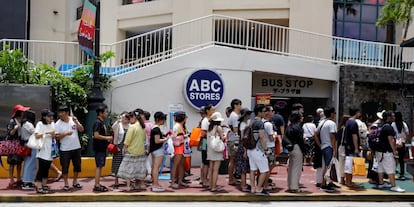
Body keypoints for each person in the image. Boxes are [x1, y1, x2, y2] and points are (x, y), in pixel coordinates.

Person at [55, 105, 84, 191]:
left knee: (77, 166)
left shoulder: (73, 120)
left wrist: (77, 122)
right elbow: (56, 137)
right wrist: (65, 134)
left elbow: (81, 129)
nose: (60, 114)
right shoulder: (58, 124)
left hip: (76, 147)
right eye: (59, 112)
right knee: (65, 167)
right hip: (65, 149)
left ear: (67, 113)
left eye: (62, 112)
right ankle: (66, 183)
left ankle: (75, 181)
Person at [117, 109, 148, 191]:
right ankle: (140, 184)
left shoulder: (132, 127)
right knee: (139, 169)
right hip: (140, 151)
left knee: (128, 169)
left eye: (130, 118)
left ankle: (128, 186)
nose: (129, 120)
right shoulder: (142, 127)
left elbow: (128, 139)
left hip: (132, 150)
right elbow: (144, 139)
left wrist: (124, 148)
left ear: (134, 117)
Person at [375, 111, 405, 192]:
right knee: (391, 167)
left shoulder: (381, 125)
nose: (394, 117)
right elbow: (391, 140)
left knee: (380, 167)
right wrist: (395, 150)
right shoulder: (389, 127)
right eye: (393, 116)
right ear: (388, 117)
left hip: (379, 151)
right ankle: (393, 185)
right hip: (386, 151)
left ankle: (381, 183)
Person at [248, 104, 270, 196]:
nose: (266, 113)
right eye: (264, 111)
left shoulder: (251, 122)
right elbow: (262, 137)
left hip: (250, 149)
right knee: (264, 170)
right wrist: (266, 149)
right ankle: (258, 188)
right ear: (259, 112)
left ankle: (253, 188)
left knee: (252, 169)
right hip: (258, 149)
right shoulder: (260, 123)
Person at [6, 104, 30, 188]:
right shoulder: (12, 121)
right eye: (22, 111)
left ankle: (19, 178)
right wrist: (15, 128)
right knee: (12, 162)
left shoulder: (23, 121)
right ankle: (11, 179)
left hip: (20, 144)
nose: (23, 113)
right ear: (19, 112)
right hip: (13, 144)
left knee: (19, 162)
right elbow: (10, 133)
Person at [315, 106, 338, 192]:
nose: (335, 115)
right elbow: (333, 137)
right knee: (328, 166)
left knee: (326, 166)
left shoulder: (322, 123)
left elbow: (315, 134)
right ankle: (324, 184)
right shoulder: (332, 123)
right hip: (329, 146)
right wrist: (334, 149)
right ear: (331, 114)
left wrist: (320, 145)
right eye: (334, 113)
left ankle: (325, 183)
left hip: (324, 146)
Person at [92, 104, 113, 192]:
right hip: (99, 147)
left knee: (100, 166)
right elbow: (96, 135)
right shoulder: (97, 122)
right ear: (100, 113)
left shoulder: (101, 122)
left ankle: (98, 183)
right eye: (105, 112)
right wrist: (107, 138)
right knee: (99, 166)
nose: (107, 113)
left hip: (101, 147)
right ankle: (96, 185)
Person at [34, 109, 55, 194]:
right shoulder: (40, 124)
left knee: (46, 168)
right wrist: (46, 132)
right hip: (42, 149)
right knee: (41, 168)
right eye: (49, 116)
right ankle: (38, 185)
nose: (51, 118)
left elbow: (53, 135)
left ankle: (44, 184)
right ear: (44, 117)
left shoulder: (52, 124)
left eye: (51, 116)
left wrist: (52, 133)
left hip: (50, 149)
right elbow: (37, 135)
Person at [343, 107, 363, 189]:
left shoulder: (348, 122)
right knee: (350, 164)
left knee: (348, 164)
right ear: (357, 112)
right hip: (351, 146)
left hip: (347, 146)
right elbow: (354, 136)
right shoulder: (353, 123)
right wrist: (356, 147)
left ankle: (348, 181)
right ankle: (349, 181)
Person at [286, 111, 305, 193]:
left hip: (290, 147)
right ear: (298, 118)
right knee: (296, 168)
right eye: (301, 116)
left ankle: (290, 185)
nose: (302, 118)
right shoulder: (298, 127)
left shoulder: (290, 126)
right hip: (297, 147)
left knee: (291, 167)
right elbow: (300, 140)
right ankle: (294, 186)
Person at [150, 111, 169, 192]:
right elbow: (157, 140)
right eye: (163, 119)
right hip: (158, 150)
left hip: (154, 150)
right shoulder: (157, 129)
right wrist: (165, 139)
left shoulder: (153, 128)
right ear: (159, 119)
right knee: (156, 168)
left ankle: (155, 183)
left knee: (154, 167)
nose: (163, 121)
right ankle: (155, 184)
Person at [207, 112, 225, 192]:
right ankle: (214, 186)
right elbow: (222, 138)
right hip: (217, 149)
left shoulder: (209, 127)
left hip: (210, 149)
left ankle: (210, 185)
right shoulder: (218, 127)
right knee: (216, 169)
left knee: (211, 168)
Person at [111, 111, 130, 188]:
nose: (124, 119)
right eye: (123, 117)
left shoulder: (130, 126)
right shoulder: (118, 125)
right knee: (117, 162)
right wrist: (118, 120)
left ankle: (127, 179)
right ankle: (116, 180)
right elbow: (113, 127)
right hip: (119, 145)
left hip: (127, 146)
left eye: (126, 118)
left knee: (127, 163)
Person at [170, 111, 189, 189]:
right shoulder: (177, 126)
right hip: (178, 147)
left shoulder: (180, 126)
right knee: (176, 165)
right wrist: (184, 137)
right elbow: (174, 137)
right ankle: (173, 181)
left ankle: (180, 181)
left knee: (181, 165)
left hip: (182, 147)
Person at [236, 108, 252, 192]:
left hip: (244, 145)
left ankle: (244, 184)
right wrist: (245, 149)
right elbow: (243, 138)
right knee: (243, 167)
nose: (249, 115)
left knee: (244, 166)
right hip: (244, 146)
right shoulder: (243, 124)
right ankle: (243, 185)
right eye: (248, 114)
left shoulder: (245, 123)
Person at [227, 98, 242, 185]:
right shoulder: (235, 116)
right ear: (235, 105)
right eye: (240, 104)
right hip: (234, 140)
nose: (241, 106)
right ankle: (231, 179)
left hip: (231, 139)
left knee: (231, 160)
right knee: (233, 160)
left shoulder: (232, 115)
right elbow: (236, 129)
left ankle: (231, 178)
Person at [20, 110, 37, 190]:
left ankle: (28, 181)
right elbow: (34, 132)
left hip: (27, 144)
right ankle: (26, 182)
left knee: (29, 163)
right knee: (30, 163)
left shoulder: (24, 123)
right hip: (30, 144)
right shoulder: (28, 124)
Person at [392, 111, 409, 181]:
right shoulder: (403, 124)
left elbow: (392, 134)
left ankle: (392, 171)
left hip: (395, 143)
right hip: (402, 143)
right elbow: (407, 133)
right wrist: (405, 140)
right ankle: (402, 174)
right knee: (401, 160)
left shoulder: (393, 124)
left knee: (393, 158)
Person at [200, 104, 215, 188]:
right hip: (205, 142)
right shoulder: (205, 121)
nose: (214, 112)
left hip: (207, 142)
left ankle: (204, 178)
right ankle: (204, 179)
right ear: (208, 111)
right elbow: (203, 133)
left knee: (207, 162)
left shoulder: (208, 120)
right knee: (206, 162)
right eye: (212, 110)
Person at [263, 105, 277, 190]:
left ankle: (262, 182)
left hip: (263, 147)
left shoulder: (261, 122)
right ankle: (265, 184)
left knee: (263, 167)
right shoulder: (268, 124)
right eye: (272, 111)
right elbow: (271, 138)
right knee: (269, 166)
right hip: (270, 147)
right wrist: (275, 135)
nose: (273, 112)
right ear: (268, 112)